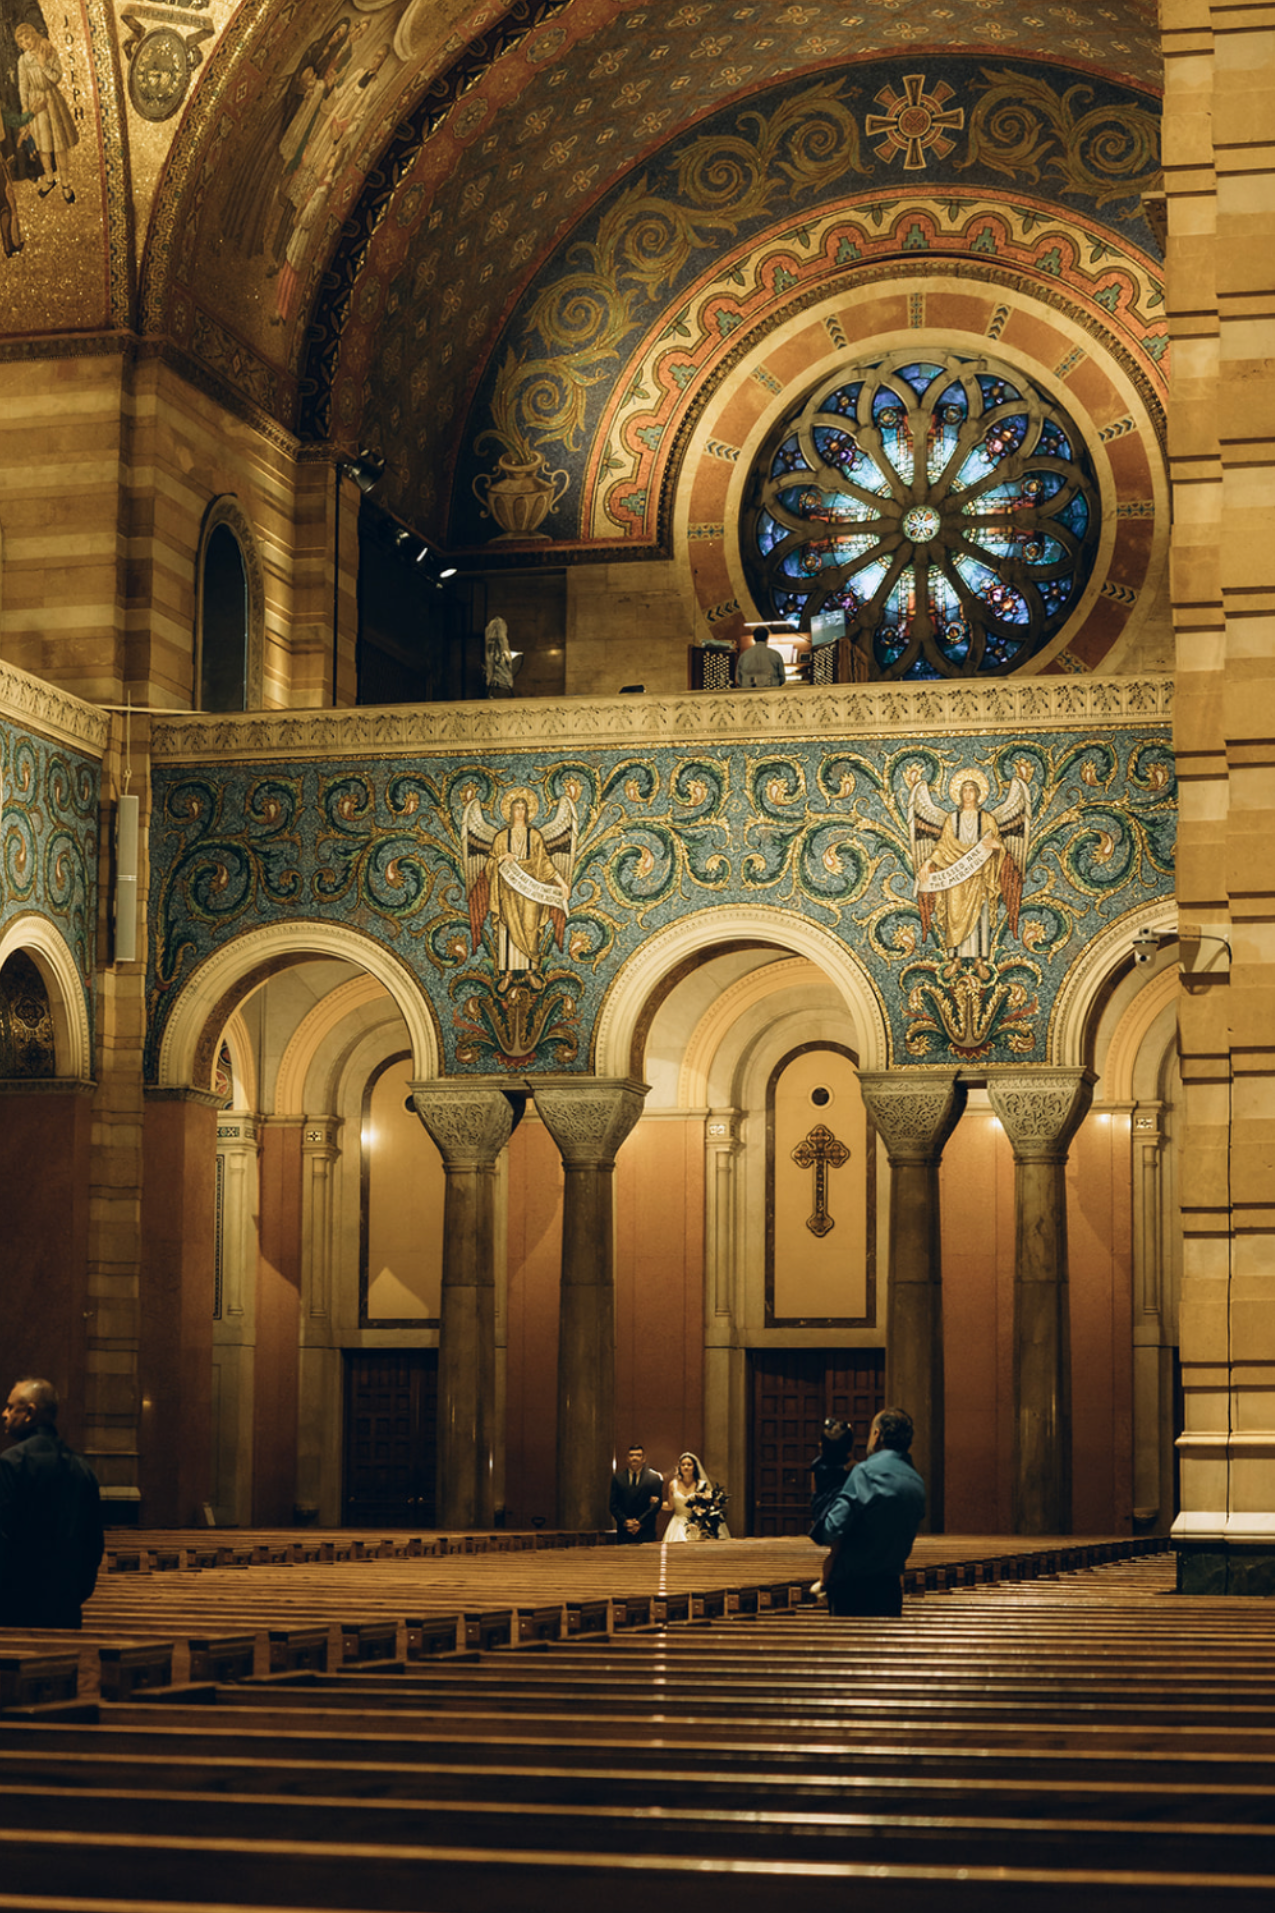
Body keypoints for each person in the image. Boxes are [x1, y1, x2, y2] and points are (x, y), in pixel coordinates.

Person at [0, 1377, 104, 1629]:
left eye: (10, 1406)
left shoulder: (11, 1463)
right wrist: (74, 1593)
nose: (4, 1414)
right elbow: (93, 1543)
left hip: (15, 1608)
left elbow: (3, 1537)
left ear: (30, 1412)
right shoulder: (82, 1468)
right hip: (66, 1607)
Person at [820, 1406, 925, 1618]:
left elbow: (831, 1529)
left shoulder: (866, 1473)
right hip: (891, 1587)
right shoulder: (916, 1482)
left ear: (877, 1435)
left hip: (853, 1589)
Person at [661, 1451, 729, 1542]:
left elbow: (708, 1507)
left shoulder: (702, 1485)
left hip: (696, 1524)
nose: (686, 1467)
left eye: (689, 1465)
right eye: (683, 1465)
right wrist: (656, 1503)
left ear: (694, 1468)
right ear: (679, 1467)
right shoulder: (673, 1484)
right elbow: (670, 1506)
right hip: (677, 1524)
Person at [609, 1444, 663, 1543]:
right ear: (627, 1458)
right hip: (624, 1532)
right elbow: (613, 1505)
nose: (635, 1458)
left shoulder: (653, 1478)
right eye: (631, 1455)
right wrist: (626, 1522)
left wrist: (640, 1522)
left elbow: (656, 1505)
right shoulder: (618, 1478)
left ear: (644, 1458)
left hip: (646, 1531)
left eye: (638, 1455)